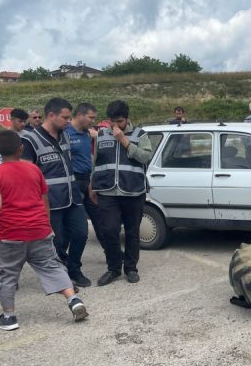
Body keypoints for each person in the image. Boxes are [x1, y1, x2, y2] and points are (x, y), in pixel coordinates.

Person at [0, 130, 89, 332]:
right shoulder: (34, 170)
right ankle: (73, 300)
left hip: (11, 233)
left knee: (5, 273)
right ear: (21, 149)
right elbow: (44, 199)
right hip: (39, 229)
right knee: (52, 266)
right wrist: (47, 225)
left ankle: (9, 316)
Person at [21, 98, 90, 288]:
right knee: (56, 242)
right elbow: (27, 175)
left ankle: (74, 268)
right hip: (50, 202)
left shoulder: (65, 136)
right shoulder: (29, 140)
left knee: (81, 234)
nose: (68, 121)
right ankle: (61, 277)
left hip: (72, 198)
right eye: (65, 117)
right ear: (51, 115)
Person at [90, 100, 153, 286]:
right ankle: (113, 268)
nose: (115, 126)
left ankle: (131, 268)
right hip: (107, 191)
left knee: (132, 233)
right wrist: (92, 185)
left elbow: (145, 157)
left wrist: (124, 141)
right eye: (112, 122)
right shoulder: (101, 135)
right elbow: (96, 162)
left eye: (120, 122)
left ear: (127, 118)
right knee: (109, 231)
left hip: (133, 191)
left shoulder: (140, 134)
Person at [66, 103, 104, 264]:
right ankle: (72, 264)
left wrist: (91, 182)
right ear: (80, 115)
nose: (93, 121)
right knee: (79, 229)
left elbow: (88, 159)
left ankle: (112, 254)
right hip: (73, 183)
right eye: (91, 118)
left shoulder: (87, 134)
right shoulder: (65, 133)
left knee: (101, 221)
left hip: (88, 181)